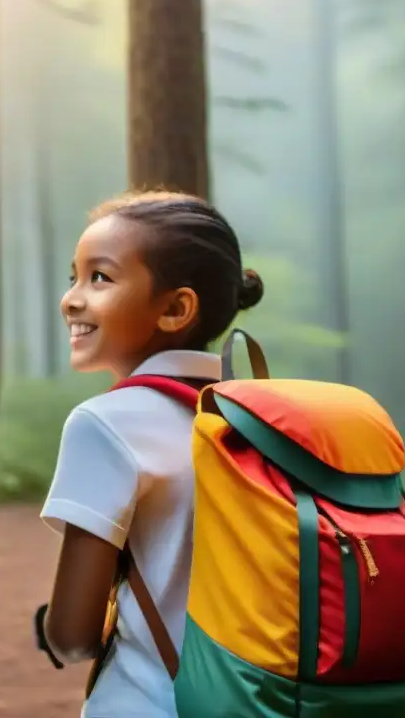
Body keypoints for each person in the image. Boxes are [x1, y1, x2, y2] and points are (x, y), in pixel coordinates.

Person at [34, 191, 264, 717]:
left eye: (101, 278)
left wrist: (51, 626)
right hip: (257, 702)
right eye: (75, 276)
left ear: (176, 308)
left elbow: (72, 635)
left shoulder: (105, 424)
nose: (72, 298)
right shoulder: (253, 418)